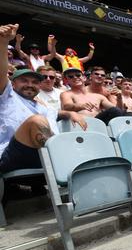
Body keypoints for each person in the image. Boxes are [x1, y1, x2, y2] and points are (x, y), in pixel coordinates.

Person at [0, 24, 86, 175]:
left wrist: (70, 114)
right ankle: (68, 162)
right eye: (24, 80)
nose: (30, 85)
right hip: (12, 156)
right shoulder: (7, 96)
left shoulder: (43, 107)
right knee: (36, 121)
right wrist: (3, 42)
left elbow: (56, 113)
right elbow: (1, 71)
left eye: (34, 82)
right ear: (13, 84)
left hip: (42, 156)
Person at [59, 67, 125, 124]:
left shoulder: (98, 96)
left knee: (116, 111)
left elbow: (118, 111)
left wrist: (119, 98)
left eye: (78, 75)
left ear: (84, 78)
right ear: (67, 80)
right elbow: (66, 106)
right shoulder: (66, 94)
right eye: (71, 76)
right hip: (80, 124)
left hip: (98, 123)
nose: (75, 77)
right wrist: (80, 106)